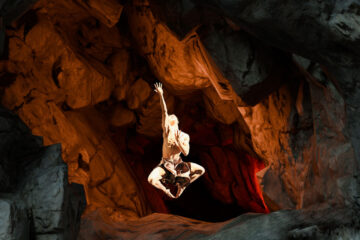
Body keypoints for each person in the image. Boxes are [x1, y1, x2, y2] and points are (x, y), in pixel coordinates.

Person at [147, 82, 205, 198]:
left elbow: (186, 152)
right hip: (166, 164)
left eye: (173, 119)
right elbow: (164, 112)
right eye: (169, 120)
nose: (170, 119)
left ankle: (182, 185)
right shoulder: (167, 132)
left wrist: (179, 142)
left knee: (201, 170)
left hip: (179, 165)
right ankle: (166, 190)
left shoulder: (184, 136)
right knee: (151, 179)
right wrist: (161, 95)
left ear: (177, 122)